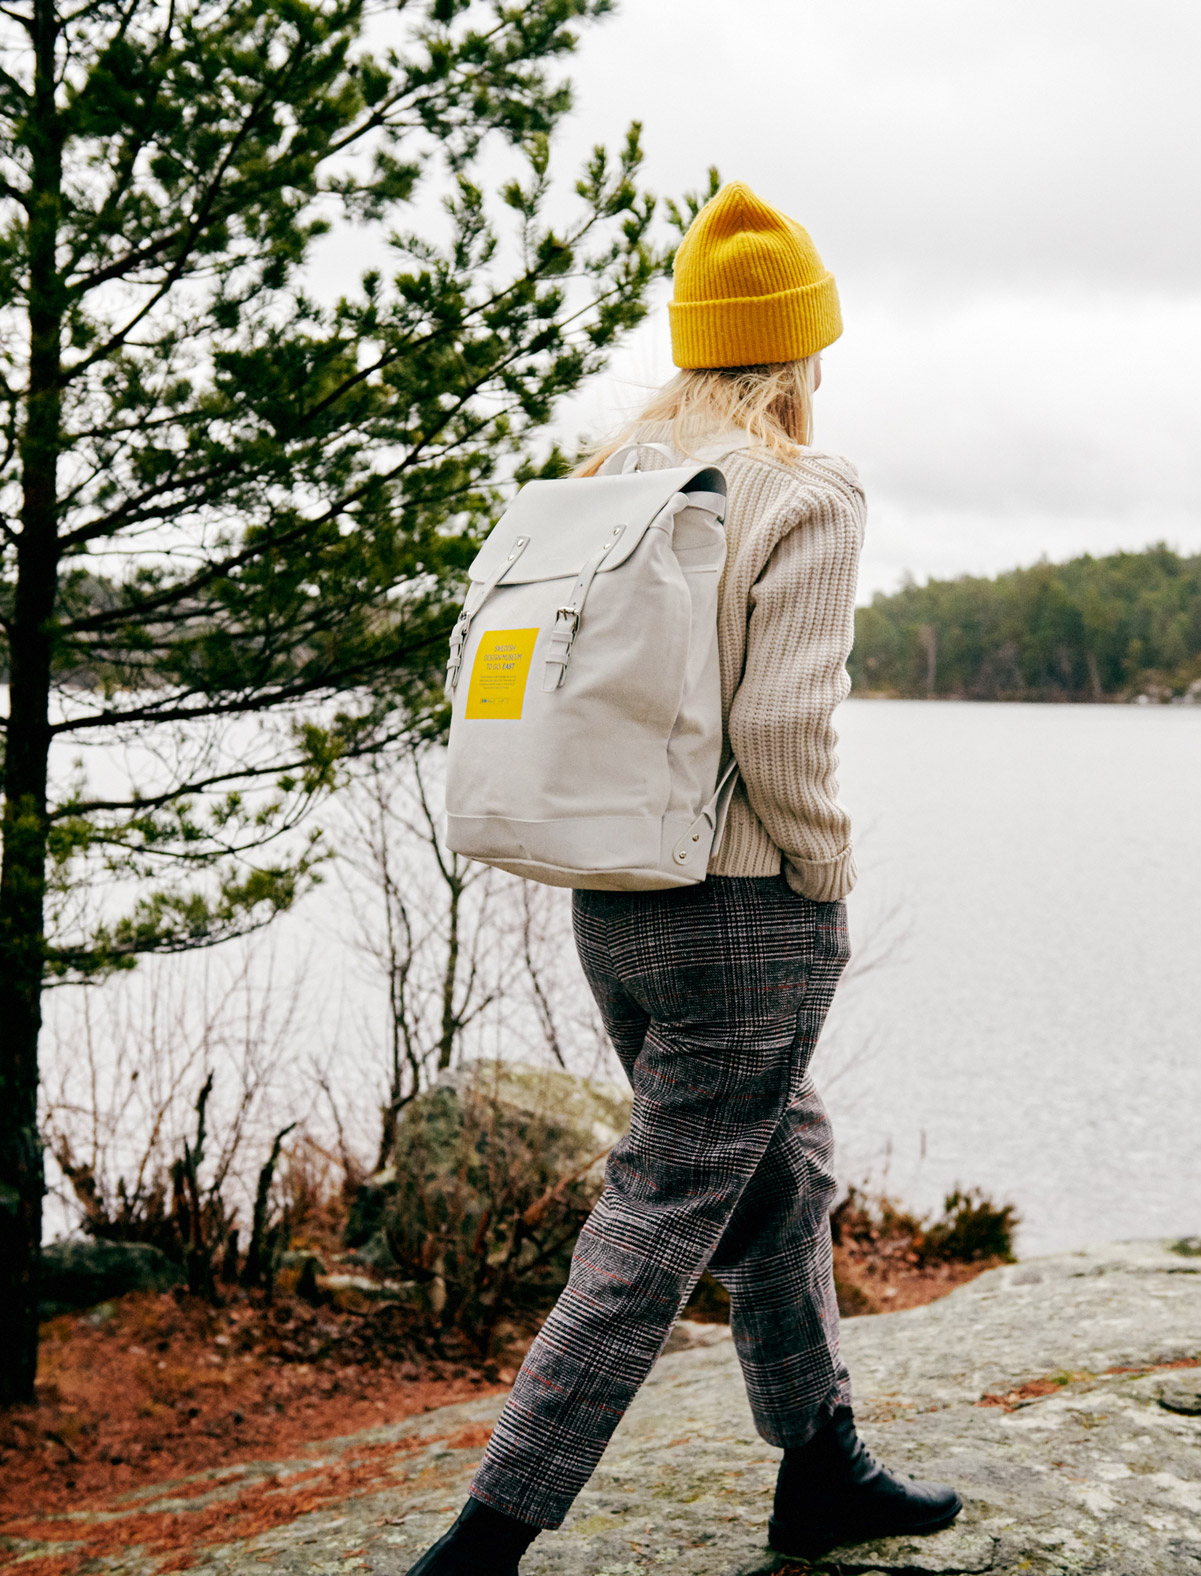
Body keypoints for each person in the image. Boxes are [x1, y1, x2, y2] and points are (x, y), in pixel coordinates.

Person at [407, 182, 961, 1574]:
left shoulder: (613, 474)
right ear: (801, 349)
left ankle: (819, 1464)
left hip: (615, 907)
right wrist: (825, 879)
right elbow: (781, 734)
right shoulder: (804, 490)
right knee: (654, 1225)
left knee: (788, 1169)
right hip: (742, 919)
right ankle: (480, 1545)